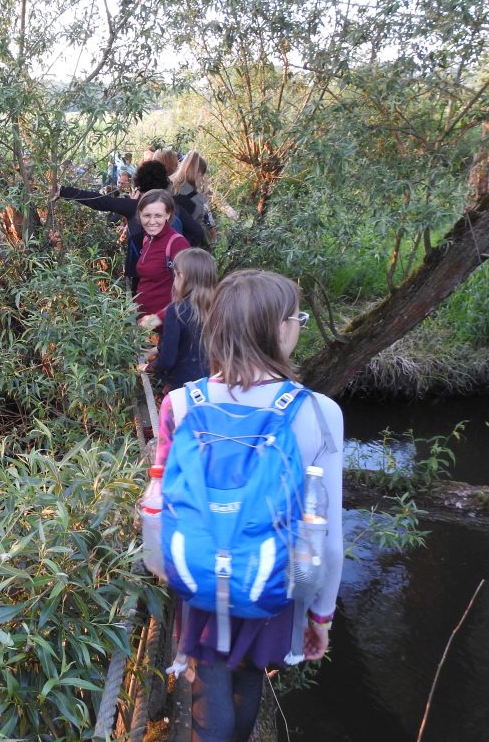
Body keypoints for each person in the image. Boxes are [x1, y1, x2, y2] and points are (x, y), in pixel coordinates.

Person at [153, 270, 344, 742]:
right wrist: (319, 616)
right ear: (279, 328)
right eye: (296, 317)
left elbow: (158, 500)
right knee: (251, 676)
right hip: (273, 574)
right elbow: (330, 537)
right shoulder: (319, 413)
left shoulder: (179, 403)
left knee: (210, 676)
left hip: (199, 568)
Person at [55, 162, 205, 293]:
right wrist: (177, 254)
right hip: (170, 278)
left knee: (142, 314)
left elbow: (101, 202)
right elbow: (197, 232)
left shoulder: (135, 206)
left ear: (139, 185)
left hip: (140, 275)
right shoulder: (174, 207)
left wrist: (63, 191)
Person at [149, 248, 216, 392]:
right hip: (213, 384)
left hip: (184, 385)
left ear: (181, 275)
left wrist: (158, 373)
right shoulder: (221, 306)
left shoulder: (177, 310)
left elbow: (168, 357)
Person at [133, 189, 191, 324]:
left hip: (165, 326)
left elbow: (190, 294)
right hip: (144, 325)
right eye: (146, 215)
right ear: (139, 215)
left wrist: (158, 318)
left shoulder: (177, 244)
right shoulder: (148, 238)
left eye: (158, 215)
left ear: (168, 215)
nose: (152, 221)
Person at [171, 150, 214, 233]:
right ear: (199, 174)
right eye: (202, 175)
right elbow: (196, 229)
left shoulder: (168, 183)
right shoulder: (197, 200)